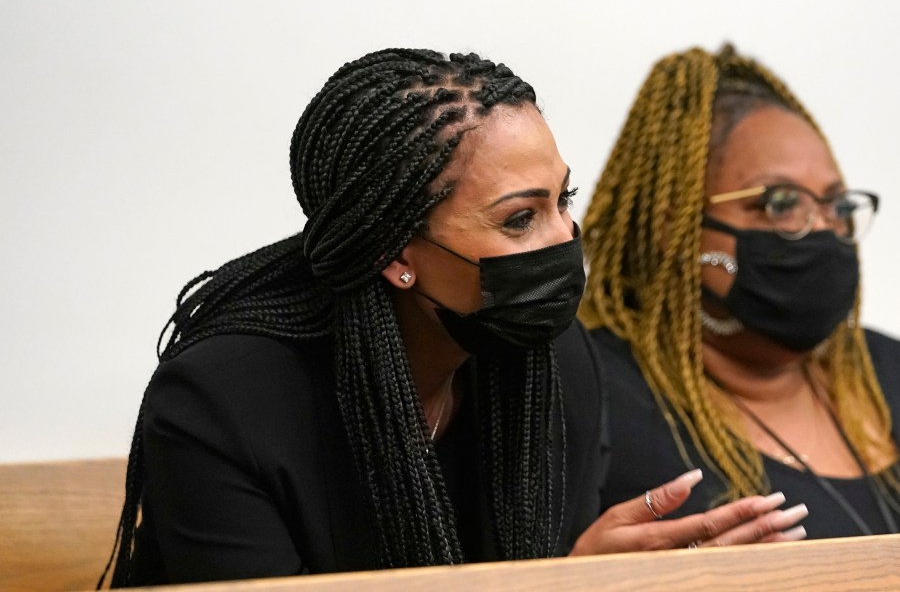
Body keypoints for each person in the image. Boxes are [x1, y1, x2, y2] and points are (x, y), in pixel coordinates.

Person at [101, 48, 804, 588]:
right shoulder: (224, 405)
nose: (566, 239)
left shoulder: (557, 363)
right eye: (521, 218)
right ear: (395, 253)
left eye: (565, 200)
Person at [579, 44, 900, 540]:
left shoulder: (886, 371)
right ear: (676, 227)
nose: (820, 229)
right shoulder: (588, 393)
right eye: (780, 203)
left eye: (835, 204)